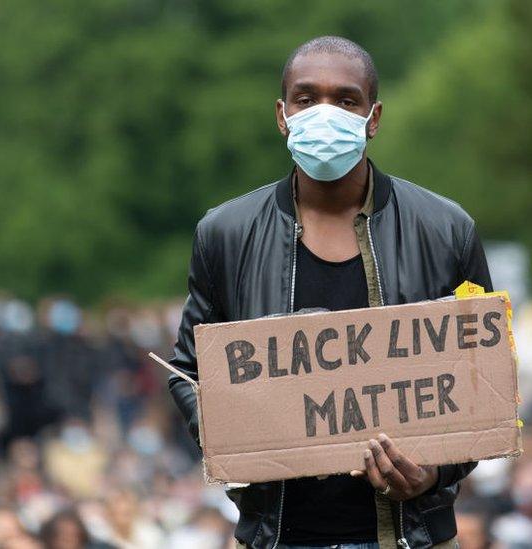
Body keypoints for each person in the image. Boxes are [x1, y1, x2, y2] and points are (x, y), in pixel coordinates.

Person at [167, 35, 492, 548]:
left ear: (373, 117)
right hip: (275, 535)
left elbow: (486, 376)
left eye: (345, 100)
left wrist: (433, 473)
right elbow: (188, 370)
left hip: (412, 536)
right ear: (282, 115)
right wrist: (233, 435)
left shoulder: (446, 231)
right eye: (305, 98)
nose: (324, 114)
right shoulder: (224, 235)